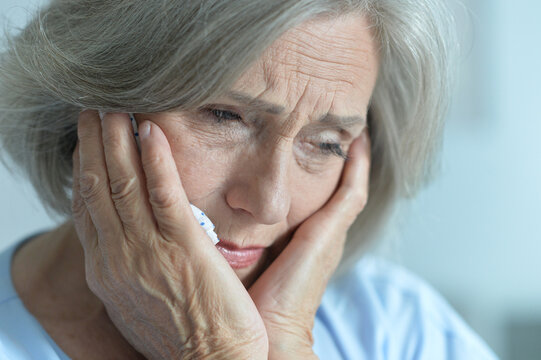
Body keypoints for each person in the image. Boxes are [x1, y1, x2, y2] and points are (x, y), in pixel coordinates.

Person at [0, 0, 499, 359]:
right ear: (94, 100)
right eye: (223, 116)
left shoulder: (399, 326)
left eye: (326, 143)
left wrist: (248, 348)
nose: (269, 203)